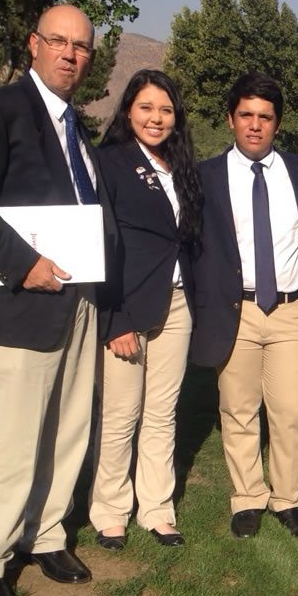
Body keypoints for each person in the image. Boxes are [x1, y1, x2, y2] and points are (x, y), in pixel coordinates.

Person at [0, 4, 109, 596]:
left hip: (79, 299)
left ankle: (46, 533)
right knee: (10, 437)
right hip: (21, 300)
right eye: (58, 41)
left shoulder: (76, 126)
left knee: (68, 428)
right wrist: (22, 262)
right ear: (34, 45)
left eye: (81, 47)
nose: (70, 54)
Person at [189, 72, 298, 539]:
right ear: (230, 119)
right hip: (235, 309)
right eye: (246, 115)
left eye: (265, 117)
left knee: (291, 411)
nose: (255, 125)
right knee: (238, 409)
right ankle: (248, 497)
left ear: (277, 124)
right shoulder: (205, 176)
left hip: (289, 309)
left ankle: (287, 498)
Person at [89, 70, 202, 550]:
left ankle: (156, 508)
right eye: (146, 107)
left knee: (161, 413)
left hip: (177, 305)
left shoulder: (181, 166)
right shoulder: (109, 163)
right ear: (128, 111)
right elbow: (99, 243)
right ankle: (110, 509)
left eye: (166, 110)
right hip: (127, 305)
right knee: (121, 414)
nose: (156, 118)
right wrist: (113, 318)